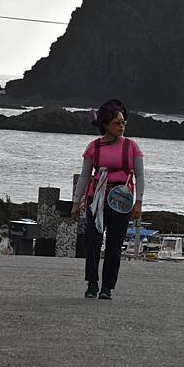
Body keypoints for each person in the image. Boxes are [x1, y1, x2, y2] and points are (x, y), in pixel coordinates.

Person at [71, 99, 145, 300]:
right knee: (92, 241)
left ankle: (107, 287)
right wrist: (76, 202)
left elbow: (140, 176)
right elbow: (85, 176)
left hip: (121, 202)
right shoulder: (94, 147)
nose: (122, 126)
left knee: (114, 245)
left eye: (123, 122)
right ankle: (92, 283)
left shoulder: (131, 147)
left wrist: (139, 202)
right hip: (96, 198)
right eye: (117, 123)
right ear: (105, 125)